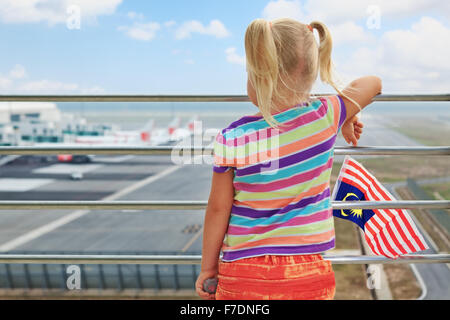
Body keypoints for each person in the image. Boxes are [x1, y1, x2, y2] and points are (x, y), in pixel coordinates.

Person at [195, 18, 382, 300]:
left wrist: (208, 269)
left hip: (243, 272)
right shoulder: (325, 115)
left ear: (261, 77)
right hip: (308, 273)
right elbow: (373, 83)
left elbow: (218, 209)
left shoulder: (232, 137)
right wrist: (349, 112)